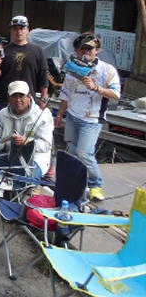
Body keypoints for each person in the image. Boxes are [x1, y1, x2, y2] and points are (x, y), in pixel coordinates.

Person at [55, 34, 121, 201]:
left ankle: (96, 184)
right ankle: (77, 183)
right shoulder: (73, 69)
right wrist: (60, 115)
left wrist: (96, 87)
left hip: (92, 119)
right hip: (72, 116)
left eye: (89, 48)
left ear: (97, 50)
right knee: (72, 151)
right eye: (82, 49)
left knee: (84, 153)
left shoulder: (107, 70)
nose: (85, 52)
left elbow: (116, 94)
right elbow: (65, 94)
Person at [0, 81, 53, 178]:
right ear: (9, 98)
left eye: (22, 96)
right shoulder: (1, 115)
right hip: (8, 155)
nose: (18, 100)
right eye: (14, 96)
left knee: (24, 179)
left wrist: (27, 142)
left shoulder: (43, 116)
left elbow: (46, 145)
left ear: (29, 96)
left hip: (35, 158)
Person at [0, 15, 48, 111]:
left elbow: (43, 75)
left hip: (28, 98)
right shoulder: (3, 50)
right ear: (11, 31)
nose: (19, 32)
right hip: (6, 99)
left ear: (27, 30)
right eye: (15, 29)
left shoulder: (38, 51)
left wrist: (43, 98)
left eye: (22, 28)